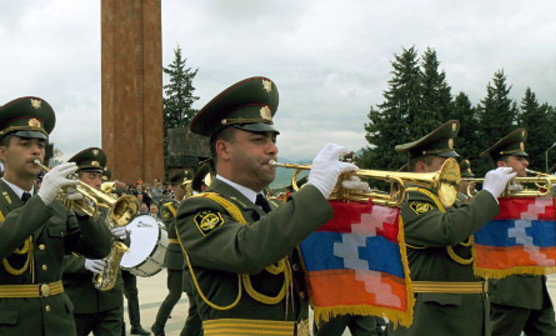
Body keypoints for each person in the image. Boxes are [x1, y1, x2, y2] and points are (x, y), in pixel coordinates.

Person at [175, 76, 360, 335]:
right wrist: (315, 189)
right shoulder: (199, 209)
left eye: (273, 139)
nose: (273, 149)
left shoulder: (271, 211)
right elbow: (248, 251)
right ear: (224, 149)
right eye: (258, 139)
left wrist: (341, 207)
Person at [386, 120, 516, 336]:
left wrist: (503, 200)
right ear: (421, 168)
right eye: (445, 163)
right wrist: (489, 195)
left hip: (467, 312)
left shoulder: (453, 201)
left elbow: (478, 229)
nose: (453, 169)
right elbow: (446, 231)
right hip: (431, 318)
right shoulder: (410, 201)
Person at [0, 96, 112, 335]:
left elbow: (100, 249)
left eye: (41, 145)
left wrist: (85, 213)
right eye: (25, 143)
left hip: (59, 324)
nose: (36, 151)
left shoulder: (56, 204)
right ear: (2, 152)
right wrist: (42, 198)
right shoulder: (46, 200)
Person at [484, 129, 556, 336]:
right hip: (511, 289)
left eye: (526, 158)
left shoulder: (522, 190)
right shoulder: (497, 195)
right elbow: (539, 213)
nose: (526, 163)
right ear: (501, 165)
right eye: (519, 158)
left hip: (534, 286)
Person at [62, 147, 129, 336]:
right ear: (76, 178)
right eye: (91, 177)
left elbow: (124, 245)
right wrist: (82, 264)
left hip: (110, 298)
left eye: (100, 177)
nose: (99, 182)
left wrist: (125, 234)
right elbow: (52, 255)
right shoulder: (62, 207)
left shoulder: (108, 205)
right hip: (77, 298)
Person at [151, 170, 193, 336]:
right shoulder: (167, 207)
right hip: (176, 256)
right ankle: (158, 325)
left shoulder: (194, 203)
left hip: (191, 255)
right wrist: (186, 207)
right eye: (182, 186)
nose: (185, 189)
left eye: (186, 186)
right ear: (174, 188)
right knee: (174, 294)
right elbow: (173, 230)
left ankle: (195, 329)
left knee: (193, 297)